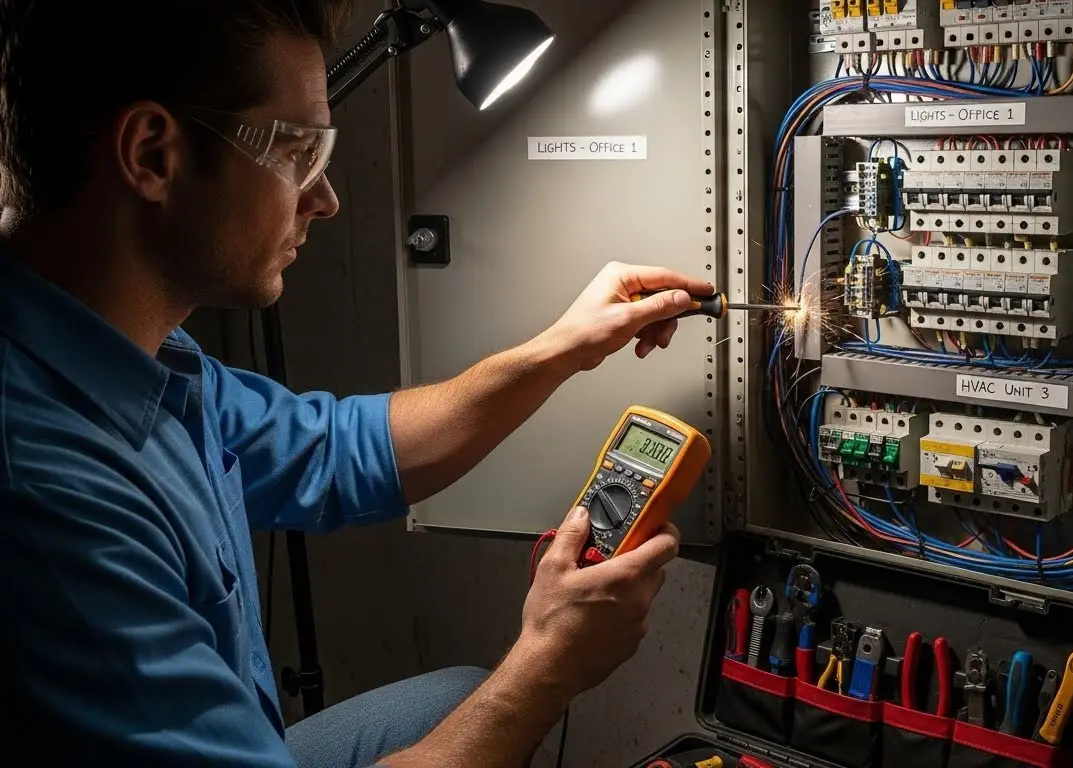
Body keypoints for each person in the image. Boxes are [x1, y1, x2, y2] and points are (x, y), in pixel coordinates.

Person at [0, 1, 713, 766]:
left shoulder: (136, 353)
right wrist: (550, 664)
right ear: (152, 156)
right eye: (297, 149)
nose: (326, 197)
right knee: (502, 697)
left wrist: (561, 349)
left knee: (454, 699)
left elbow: (342, 450)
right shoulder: (49, 494)